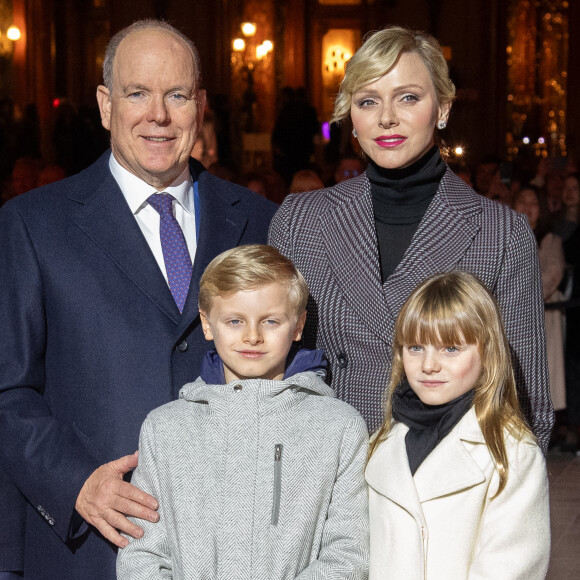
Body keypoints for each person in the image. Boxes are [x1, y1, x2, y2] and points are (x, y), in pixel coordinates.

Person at [0, 20, 276, 580]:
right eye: (137, 93)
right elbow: (8, 388)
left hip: (235, 550)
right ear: (105, 105)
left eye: (177, 95)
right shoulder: (34, 225)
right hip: (90, 550)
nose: (159, 115)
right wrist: (75, 482)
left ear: (199, 107)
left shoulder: (259, 220)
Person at [269, 25, 553, 452]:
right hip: (322, 481)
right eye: (368, 101)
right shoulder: (300, 220)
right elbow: (265, 372)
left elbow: (526, 408)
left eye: (408, 97)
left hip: (442, 489)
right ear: (352, 117)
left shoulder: (501, 233)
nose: (387, 117)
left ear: (442, 107)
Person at [116, 244, 369, 578]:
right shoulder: (165, 428)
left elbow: (348, 554)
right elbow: (142, 552)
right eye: (235, 321)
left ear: (297, 326)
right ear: (207, 324)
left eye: (271, 321)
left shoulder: (338, 426)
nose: (252, 336)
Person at [366, 271, 550, 579]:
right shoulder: (382, 441)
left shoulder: (512, 454)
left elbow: (509, 569)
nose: (428, 365)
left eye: (450, 348)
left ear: (488, 354)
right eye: (415, 347)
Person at [512, 186, 566, 415]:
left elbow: (553, 274)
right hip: (511, 314)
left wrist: (517, 288)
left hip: (544, 314)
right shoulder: (505, 236)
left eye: (533, 202)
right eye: (522, 200)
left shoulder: (550, 240)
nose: (527, 207)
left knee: (544, 374)